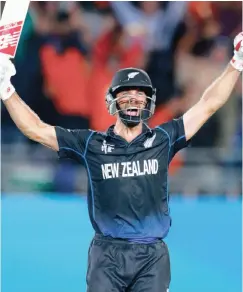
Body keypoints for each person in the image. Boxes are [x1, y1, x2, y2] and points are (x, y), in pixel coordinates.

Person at [1, 32, 242, 292]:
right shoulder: (91, 144)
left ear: (148, 102)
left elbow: (208, 104)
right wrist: (7, 89)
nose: (133, 100)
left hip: (151, 257)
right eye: (126, 94)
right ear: (113, 100)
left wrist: (236, 63)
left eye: (140, 95)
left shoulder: (164, 139)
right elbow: (36, 129)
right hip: (107, 256)